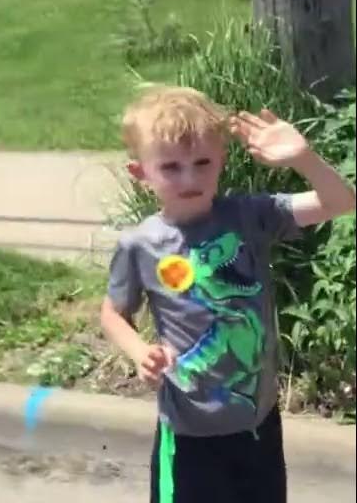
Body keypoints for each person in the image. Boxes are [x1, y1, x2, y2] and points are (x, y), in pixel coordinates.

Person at [99, 85, 355, 503]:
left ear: (222, 160)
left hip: (259, 426)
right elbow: (112, 312)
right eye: (171, 167)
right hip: (190, 436)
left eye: (203, 163)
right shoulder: (140, 245)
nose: (190, 178)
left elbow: (340, 202)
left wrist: (303, 158)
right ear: (141, 174)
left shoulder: (250, 215)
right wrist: (138, 351)